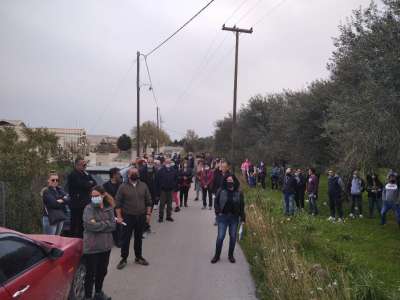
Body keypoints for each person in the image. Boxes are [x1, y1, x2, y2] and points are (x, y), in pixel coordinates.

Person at [115, 168, 152, 270]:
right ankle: (123, 258)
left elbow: (149, 201)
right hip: (127, 217)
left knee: (138, 238)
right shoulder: (122, 187)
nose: (135, 174)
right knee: (125, 238)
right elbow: (117, 203)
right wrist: (119, 216)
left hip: (141, 216)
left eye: (136, 173)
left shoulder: (143, 185)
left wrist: (148, 215)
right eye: (133, 173)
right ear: (128, 175)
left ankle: (138, 257)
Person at [82, 185, 115, 300]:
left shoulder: (109, 208)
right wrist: (106, 224)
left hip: (106, 246)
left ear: (103, 195)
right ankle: (87, 296)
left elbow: (113, 225)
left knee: (102, 271)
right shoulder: (88, 209)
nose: (94, 198)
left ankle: (98, 293)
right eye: (92, 196)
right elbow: (89, 226)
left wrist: (98, 223)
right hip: (92, 247)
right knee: (90, 274)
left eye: (96, 196)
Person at [211, 175, 245, 264]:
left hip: (234, 218)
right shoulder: (221, 190)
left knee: (233, 237)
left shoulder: (239, 192)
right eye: (227, 180)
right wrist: (218, 212)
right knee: (220, 237)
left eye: (231, 180)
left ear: (234, 181)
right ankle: (217, 256)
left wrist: (243, 218)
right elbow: (216, 202)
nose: (229, 182)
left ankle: (230, 255)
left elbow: (242, 206)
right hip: (223, 217)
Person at [67, 158, 97, 238]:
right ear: (77, 165)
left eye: (85, 164)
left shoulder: (85, 173)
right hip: (77, 204)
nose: (85, 166)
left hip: (85, 202)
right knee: (75, 224)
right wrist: (88, 183)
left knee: (82, 224)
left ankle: (81, 240)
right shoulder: (73, 174)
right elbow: (83, 185)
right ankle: (73, 240)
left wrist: (88, 183)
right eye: (83, 165)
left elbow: (94, 182)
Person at [103, 167, 122, 247]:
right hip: (110, 209)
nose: (120, 175)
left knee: (120, 225)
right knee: (112, 226)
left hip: (120, 207)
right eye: (118, 174)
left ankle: (119, 240)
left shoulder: (121, 184)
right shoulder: (105, 185)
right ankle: (114, 241)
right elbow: (105, 197)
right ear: (114, 175)